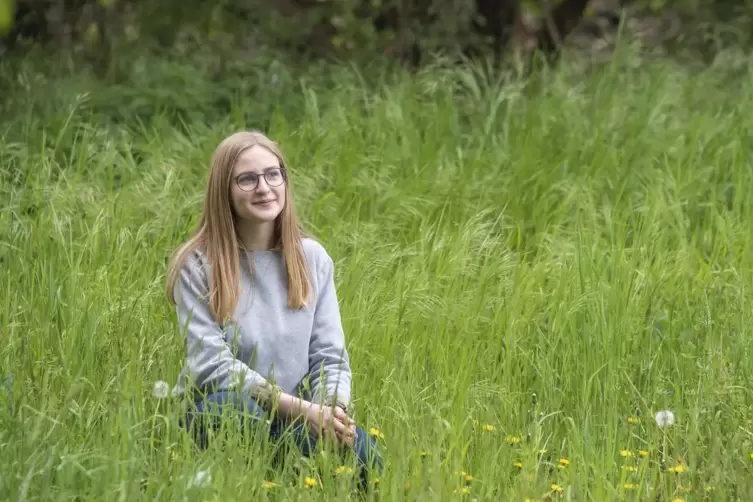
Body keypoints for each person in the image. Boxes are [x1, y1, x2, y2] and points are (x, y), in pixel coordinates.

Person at [164, 130, 383, 489]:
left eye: (272, 174)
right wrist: (302, 409)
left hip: (290, 419)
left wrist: (331, 412)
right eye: (247, 179)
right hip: (216, 410)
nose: (264, 187)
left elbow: (330, 356)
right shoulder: (198, 264)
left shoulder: (312, 259)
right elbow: (211, 365)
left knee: (366, 459)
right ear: (224, 190)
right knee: (238, 411)